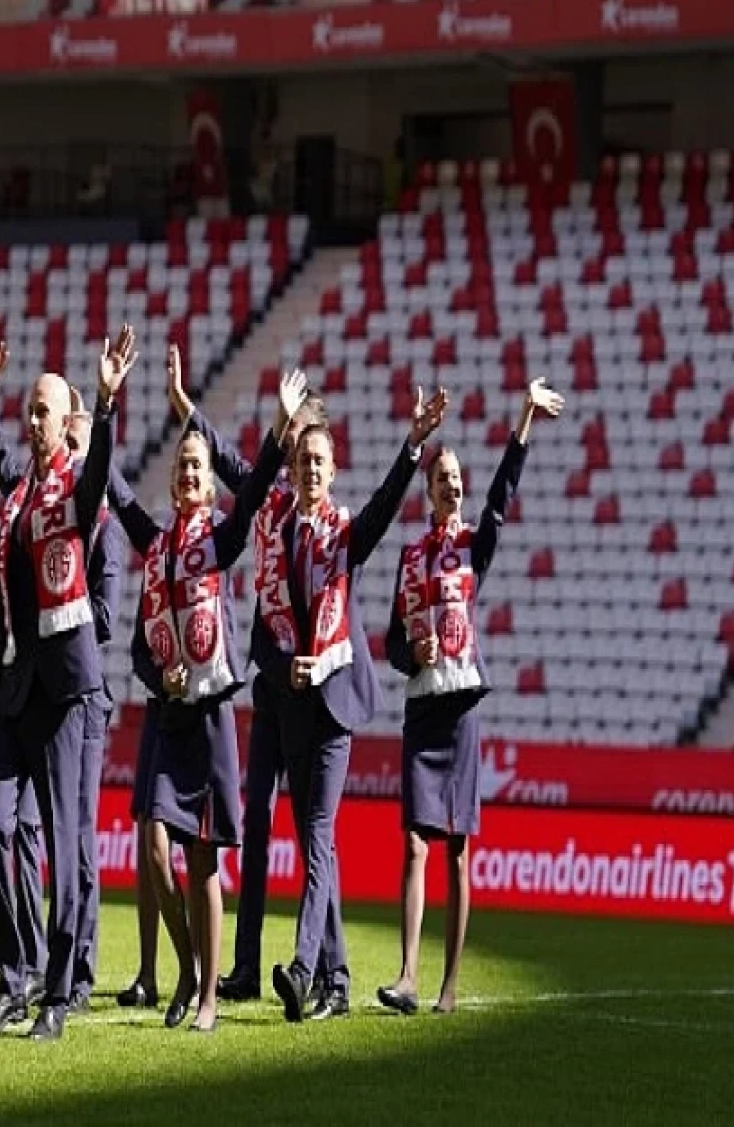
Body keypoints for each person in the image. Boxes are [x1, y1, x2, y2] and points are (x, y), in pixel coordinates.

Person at [109, 367, 308, 1033]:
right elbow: (140, 646)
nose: (191, 474)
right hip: (171, 714)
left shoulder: (221, 540)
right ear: (170, 482)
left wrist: (279, 429)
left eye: (198, 466)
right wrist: (102, 416)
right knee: (153, 841)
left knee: (202, 861)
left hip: (216, 710)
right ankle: (190, 966)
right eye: (182, 467)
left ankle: (206, 999)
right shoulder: (154, 543)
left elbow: (251, 494)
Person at [0, 325, 137, 1043]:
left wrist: (103, 403)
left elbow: (98, 473)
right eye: (27, 410)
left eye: (45, 411)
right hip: (17, 687)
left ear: (64, 422)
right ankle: (17, 977)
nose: (32, 422)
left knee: (68, 847)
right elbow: (0, 462)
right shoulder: (16, 497)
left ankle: (61, 995)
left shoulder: (76, 487)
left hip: (70, 686)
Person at [377, 377, 564, 1016]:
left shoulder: (470, 548)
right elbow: (391, 645)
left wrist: (523, 424)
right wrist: (413, 654)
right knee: (412, 842)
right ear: (428, 493)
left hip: (461, 707)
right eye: (443, 480)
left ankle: (450, 987)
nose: (452, 488)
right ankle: (406, 976)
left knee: (457, 851)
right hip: (421, 706)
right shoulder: (409, 557)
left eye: (458, 480)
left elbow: (502, 500)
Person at [267, 386, 448, 1023]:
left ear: (332, 470)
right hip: (296, 702)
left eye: (321, 462)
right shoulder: (282, 533)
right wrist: (286, 659)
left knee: (317, 833)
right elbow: (276, 616)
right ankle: (338, 981)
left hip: (338, 700)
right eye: (302, 462)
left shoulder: (345, 533)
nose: (311, 470)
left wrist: (412, 446)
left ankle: (302, 966)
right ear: (291, 472)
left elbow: (382, 508)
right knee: (317, 844)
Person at [166, 345, 334, 1008]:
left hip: (310, 686)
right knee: (259, 822)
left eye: (300, 440)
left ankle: (326, 969)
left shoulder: (310, 517)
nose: (291, 454)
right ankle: (244, 964)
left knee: (312, 830)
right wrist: (183, 406)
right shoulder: (264, 499)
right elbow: (232, 461)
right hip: (268, 682)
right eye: (288, 440)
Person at [1, 377, 126, 1015]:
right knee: (24, 830)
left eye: (72, 429)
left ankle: (75, 975)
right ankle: (32, 967)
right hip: (31, 684)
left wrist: (69, 620)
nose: (65, 443)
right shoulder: (30, 501)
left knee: (74, 838)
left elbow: (105, 611)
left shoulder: (94, 520)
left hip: (81, 688)